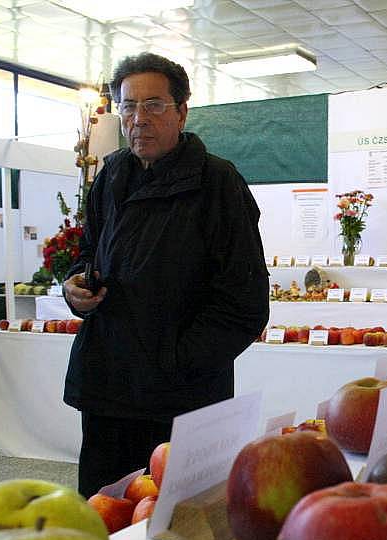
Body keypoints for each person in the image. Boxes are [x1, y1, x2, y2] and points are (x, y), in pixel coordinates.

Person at [62, 52, 270, 497]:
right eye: (128, 106)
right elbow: (88, 254)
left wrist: (176, 361)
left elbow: (245, 303)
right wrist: (75, 285)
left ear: (181, 112)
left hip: (180, 401)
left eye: (154, 105)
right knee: (106, 513)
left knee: (176, 524)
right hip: (108, 390)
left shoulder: (217, 183)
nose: (139, 119)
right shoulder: (110, 174)